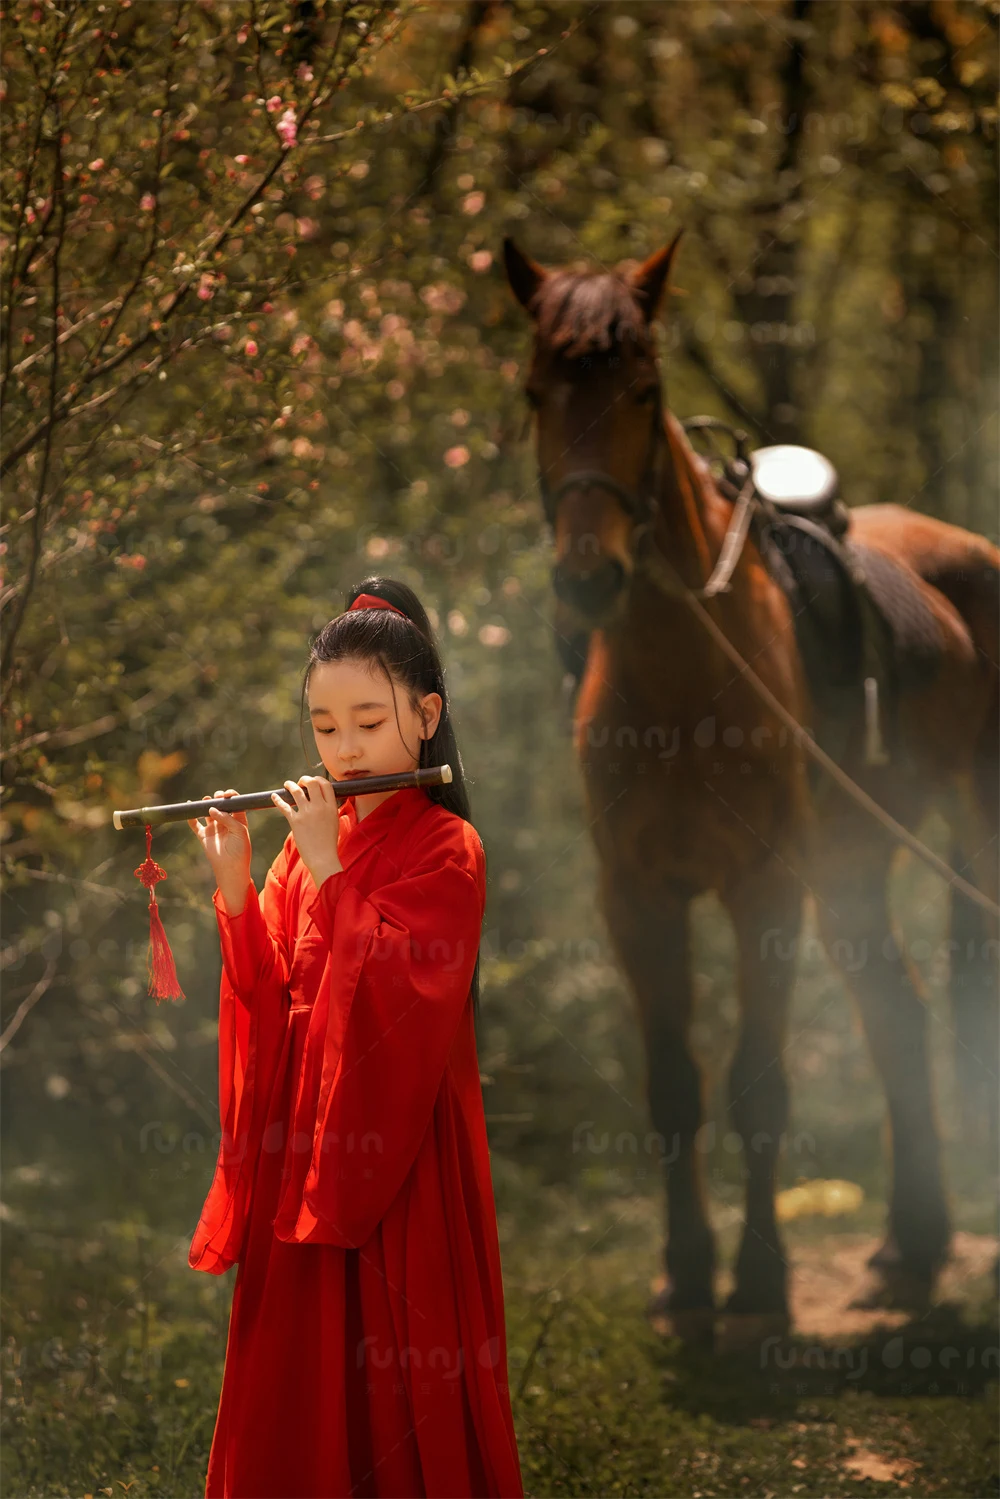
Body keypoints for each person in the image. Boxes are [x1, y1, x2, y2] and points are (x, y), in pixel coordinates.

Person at [186, 578, 524, 1499]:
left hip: (393, 1136)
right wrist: (233, 885)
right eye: (325, 726)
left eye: (369, 722)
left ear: (426, 715)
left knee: (394, 1367)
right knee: (296, 1368)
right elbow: (268, 989)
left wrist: (334, 875)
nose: (344, 747)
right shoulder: (305, 840)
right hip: (303, 1131)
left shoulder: (448, 847)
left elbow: (402, 1006)